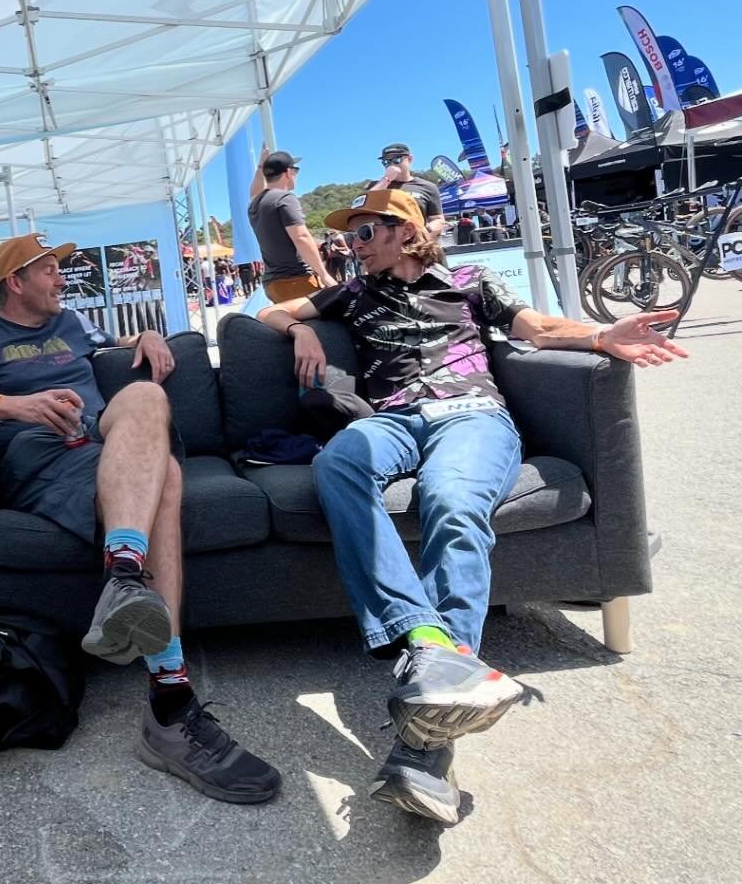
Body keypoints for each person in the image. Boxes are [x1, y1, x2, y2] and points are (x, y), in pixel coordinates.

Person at [255, 189, 686, 825]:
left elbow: (535, 328)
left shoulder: (469, 279)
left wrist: (599, 334)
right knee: (337, 461)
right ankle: (429, 643)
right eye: (351, 234)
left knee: (451, 500)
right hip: (395, 418)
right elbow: (267, 314)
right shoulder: (351, 292)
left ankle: (425, 753)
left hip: (472, 414)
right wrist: (299, 330)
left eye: (367, 230)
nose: (354, 241)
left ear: (405, 233)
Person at [0, 233, 280, 804]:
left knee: (148, 399)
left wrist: (148, 334)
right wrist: (11, 406)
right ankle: (171, 698)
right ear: (16, 282)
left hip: (101, 444)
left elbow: (116, 341)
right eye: (51, 271)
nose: (62, 280)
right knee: (169, 481)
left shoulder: (73, 326)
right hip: (44, 457)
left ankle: (123, 576)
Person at [247, 150, 335, 302]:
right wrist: (324, 275)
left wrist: (262, 166)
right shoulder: (284, 198)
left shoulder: (256, 204)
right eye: (296, 171)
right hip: (295, 279)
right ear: (288, 172)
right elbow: (301, 237)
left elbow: (254, 191)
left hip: (273, 282)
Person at [369, 143, 446, 241]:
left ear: (409, 159)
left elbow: (438, 220)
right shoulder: (377, 186)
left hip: (418, 244)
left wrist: (423, 233)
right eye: (386, 162)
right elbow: (364, 206)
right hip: (386, 244)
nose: (391, 165)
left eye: (396, 160)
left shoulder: (428, 187)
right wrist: (386, 179)